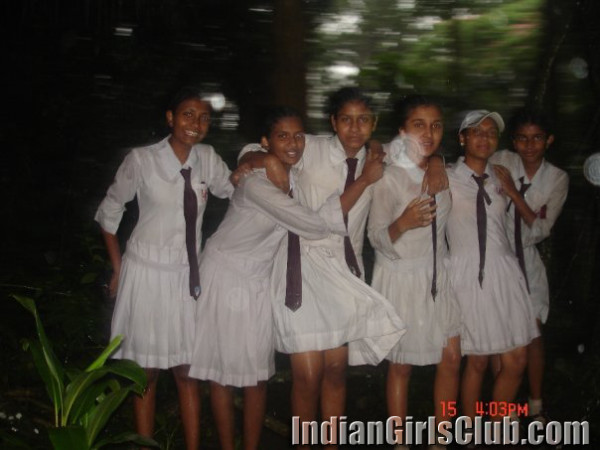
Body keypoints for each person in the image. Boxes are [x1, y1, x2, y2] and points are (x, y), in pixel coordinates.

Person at [239, 87, 405, 450]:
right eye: (346, 119)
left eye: (364, 120)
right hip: (300, 269)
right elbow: (262, 147)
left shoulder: (381, 160)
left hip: (343, 275)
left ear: (373, 124)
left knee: (335, 372)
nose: (354, 128)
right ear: (333, 122)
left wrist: (437, 162)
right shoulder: (310, 147)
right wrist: (254, 157)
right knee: (307, 375)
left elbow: (424, 153)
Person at [188, 107, 357, 450]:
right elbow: (311, 225)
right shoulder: (256, 183)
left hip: (258, 281)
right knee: (221, 377)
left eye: (298, 136)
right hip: (224, 275)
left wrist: (264, 156)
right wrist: (261, 158)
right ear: (267, 142)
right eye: (282, 137)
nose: (293, 143)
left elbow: (348, 145)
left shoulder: (291, 174)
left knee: (257, 377)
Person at [94, 87, 233, 449]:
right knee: (146, 374)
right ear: (170, 118)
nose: (196, 124)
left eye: (204, 117)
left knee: (188, 372)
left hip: (187, 278)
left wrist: (256, 161)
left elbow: (237, 191)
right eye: (187, 114)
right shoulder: (142, 160)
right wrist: (118, 267)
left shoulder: (208, 158)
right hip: (144, 273)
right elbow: (110, 212)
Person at [368, 95, 461, 450]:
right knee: (401, 365)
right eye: (419, 124)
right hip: (400, 276)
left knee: (451, 358)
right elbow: (375, 236)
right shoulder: (388, 177)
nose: (429, 132)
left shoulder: (444, 171)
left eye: (436, 125)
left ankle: (441, 439)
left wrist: (435, 160)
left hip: (439, 275)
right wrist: (402, 223)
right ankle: (399, 442)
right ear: (403, 130)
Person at [447, 110, 539, 425]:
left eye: (491, 132)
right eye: (476, 131)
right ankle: (471, 433)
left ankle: (497, 425)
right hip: (467, 273)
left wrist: (512, 191)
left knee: (517, 358)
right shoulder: (445, 175)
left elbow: (532, 223)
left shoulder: (501, 176)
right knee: (478, 361)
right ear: (462, 138)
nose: (484, 138)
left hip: (504, 272)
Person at [490, 108, 569, 421]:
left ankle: (536, 406)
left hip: (528, 263)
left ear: (548, 140)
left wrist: (513, 193)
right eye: (522, 138)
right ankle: (504, 412)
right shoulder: (502, 161)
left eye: (537, 138)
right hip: (498, 257)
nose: (530, 145)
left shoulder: (557, 178)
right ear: (514, 141)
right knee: (501, 334)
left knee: (533, 334)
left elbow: (539, 230)